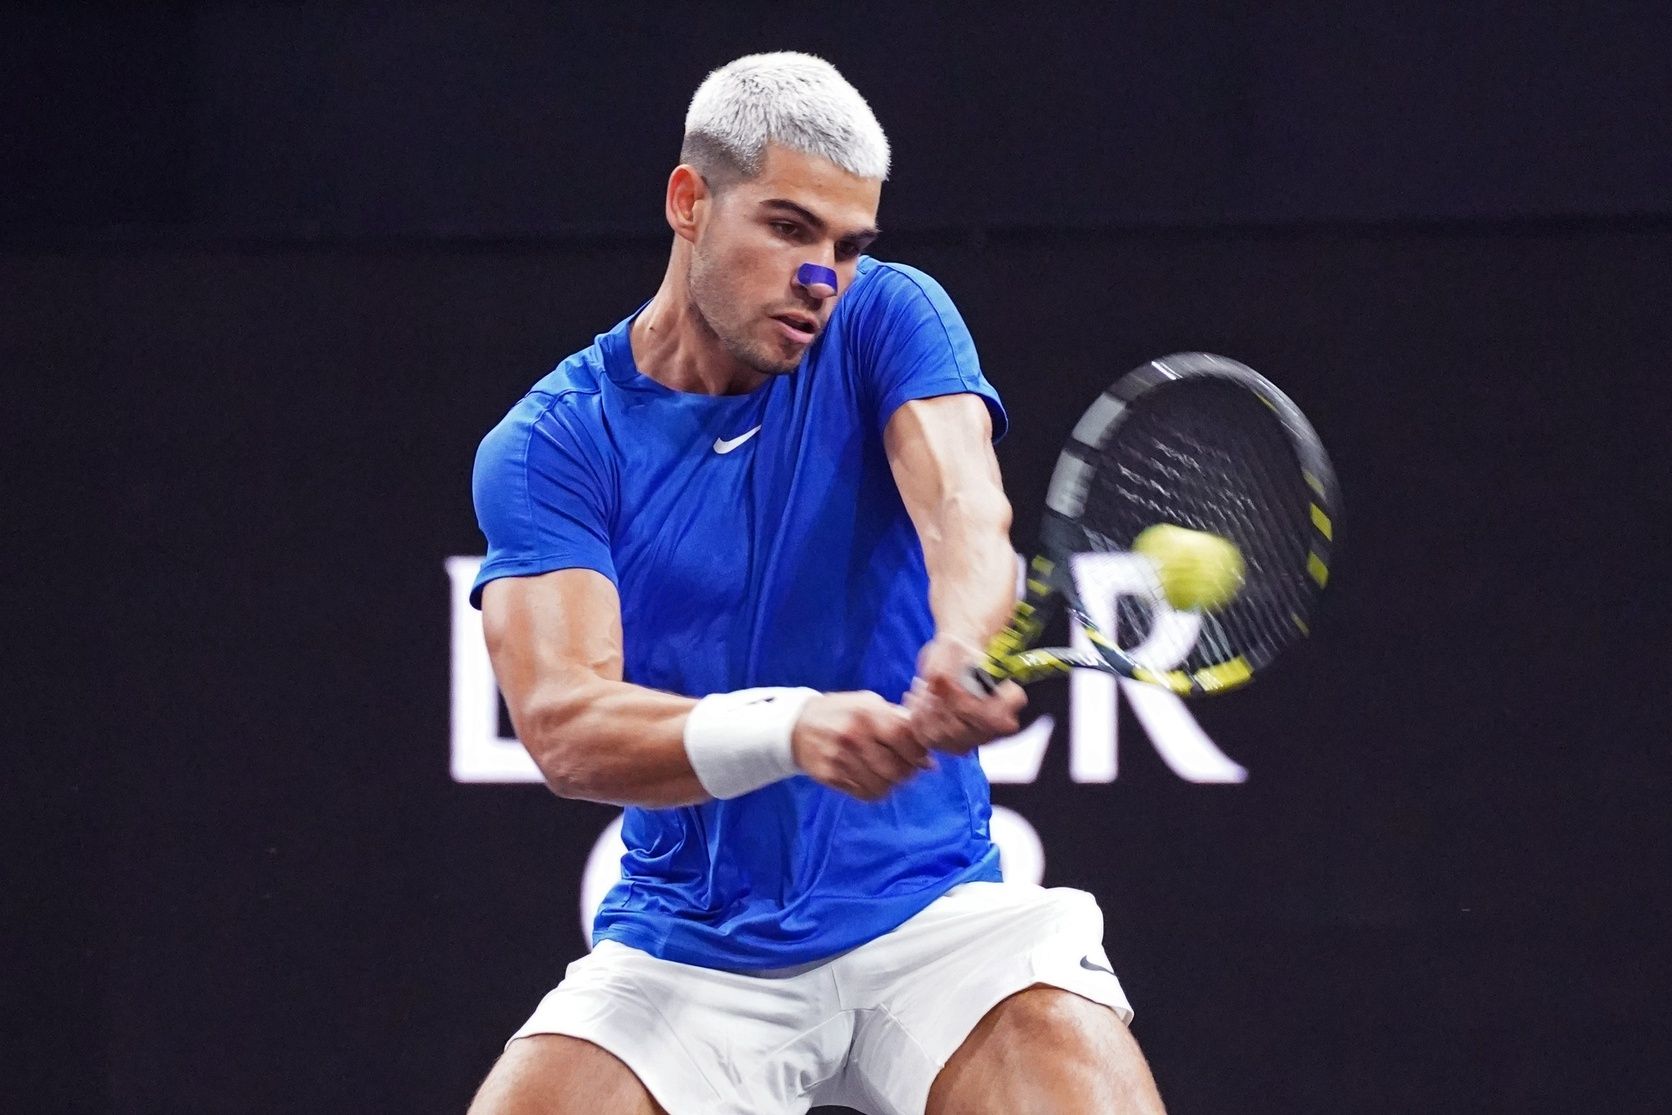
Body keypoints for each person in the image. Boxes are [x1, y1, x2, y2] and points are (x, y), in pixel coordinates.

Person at [466, 52, 1166, 1115]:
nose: (822, 277)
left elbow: (966, 512)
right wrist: (790, 728)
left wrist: (963, 637)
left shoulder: (888, 318)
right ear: (689, 202)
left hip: (932, 918)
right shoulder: (552, 444)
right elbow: (565, 725)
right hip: (689, 945)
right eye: (789, 229)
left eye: (847, 244)